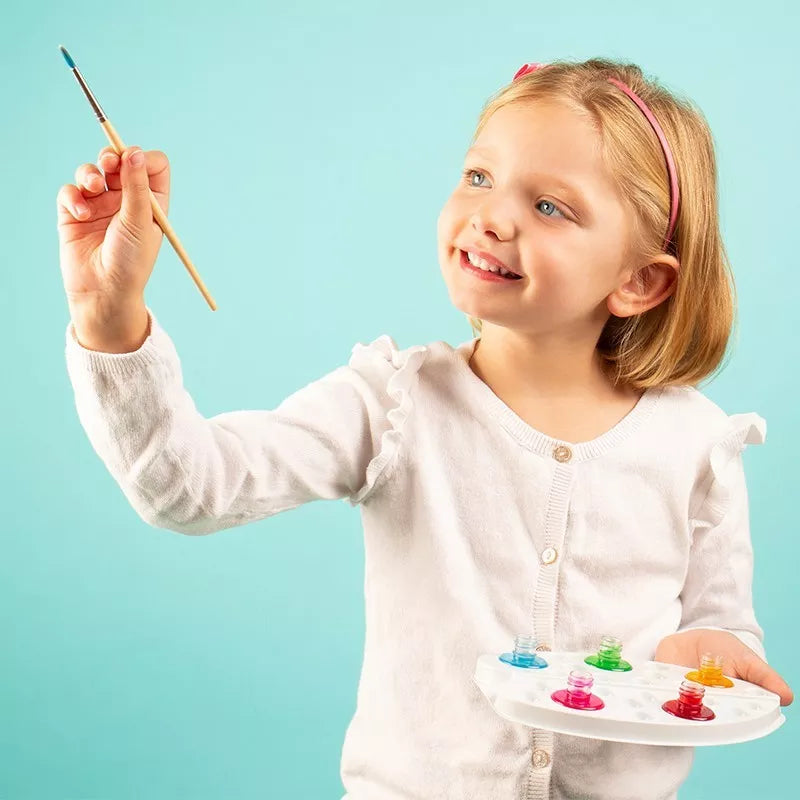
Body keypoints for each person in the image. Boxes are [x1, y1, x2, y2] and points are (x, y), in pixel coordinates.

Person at [57, 57, 793, 799]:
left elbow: (722, 622)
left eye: (550, 207)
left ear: (638, 281)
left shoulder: (697, 444)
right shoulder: (393, 403)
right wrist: (108, 316)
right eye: (479, 177)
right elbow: (189, 487)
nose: (492, 216)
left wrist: (718, 652)